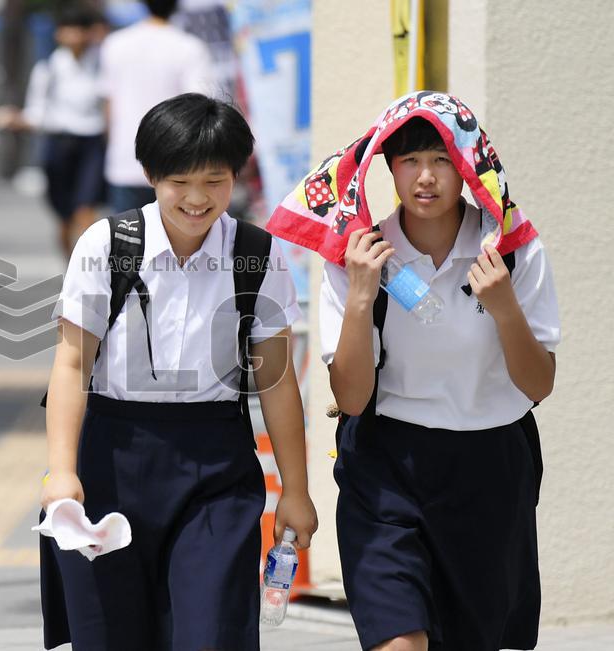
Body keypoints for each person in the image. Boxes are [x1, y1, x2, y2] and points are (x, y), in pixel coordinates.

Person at [269, 92, 559, 650]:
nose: (425, 178)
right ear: (387, 167)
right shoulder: (360, 255)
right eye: (409, 161)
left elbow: (539, 383)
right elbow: (351, 399)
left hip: (491, 466)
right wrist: (359, 298)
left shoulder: (513, 249)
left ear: (470, 165)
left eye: (443, 160)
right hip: (387, 470)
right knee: (398, 640)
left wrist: (503, 308)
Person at [40, 93, 318, 650]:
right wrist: (61, 473)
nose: (197, 199)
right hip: (111, 461)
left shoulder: (256, 254)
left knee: (211, 632)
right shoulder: (109, 245)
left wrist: (297, 489)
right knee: (113, 635)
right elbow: (71, 363)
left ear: (235, 178)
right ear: (149, 175)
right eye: (180, 182)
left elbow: (278, 381)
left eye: (215, 181)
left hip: (216, 467)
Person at [0, 4, 106, 258]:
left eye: (80, 30)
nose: (74, 36)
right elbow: (37, 112)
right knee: (64, 213)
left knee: (86, 209)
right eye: (69, 30)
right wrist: (16, 119)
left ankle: (93, 268)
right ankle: (71, 264)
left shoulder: (102, 65)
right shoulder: (49, 69)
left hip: (92, 142)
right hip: (59, 143)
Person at [99, 0, 215, 213]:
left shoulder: (115, 43)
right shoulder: (189, 46)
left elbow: (108, 103)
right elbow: (199, 105)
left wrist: (110, 143)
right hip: (175, 160)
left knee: (126, 239)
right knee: (174, 240)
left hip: (124, 155)